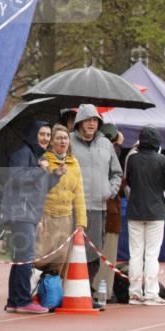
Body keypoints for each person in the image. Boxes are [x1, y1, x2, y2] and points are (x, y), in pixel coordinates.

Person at [2, 120, 61, 314]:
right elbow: (15, 179)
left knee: (22, 257)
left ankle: (14, 300)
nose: (45, 138)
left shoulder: (38, 157)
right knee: (26, 257)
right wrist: (39, 170)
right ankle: (22, 300)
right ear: (33, 134)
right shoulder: (22, 153)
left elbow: (39, 188)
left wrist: (55, 176)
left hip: (30, 212)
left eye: (47, 135)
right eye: (41, 134)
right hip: (21, 212)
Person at [70, 104, 122, 299]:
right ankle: (68, 288)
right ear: (79, 122)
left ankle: (86, 290)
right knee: (72, 250)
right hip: (74, 207)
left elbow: (116, 173)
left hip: (98, 206)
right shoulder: (69, 142)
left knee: (94, 252)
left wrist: (109, 191)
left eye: (95, 120)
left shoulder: (106, 144)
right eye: (88, 120)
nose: (92, 123)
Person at [125, 125, 165, 305]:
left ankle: (134, 293)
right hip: (155, 211)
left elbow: (128, 180)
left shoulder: (132, 159)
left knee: (135, 254)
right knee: (152, 254)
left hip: (135, 210)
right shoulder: (163, 160)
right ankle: (151, 293)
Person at [35, 123, 87, 276]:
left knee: (60, 261)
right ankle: (33, 293)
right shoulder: (44, 160)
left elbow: (79, 193)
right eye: (58, 138)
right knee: (38, 258)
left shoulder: (74, 163)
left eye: (65, 138)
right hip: (46, 216)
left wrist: (81, 223)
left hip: (66, 219)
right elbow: (38, 190)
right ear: (52, 141)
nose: (63, 141)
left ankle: (53, 296)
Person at [97, 122, 125, 301]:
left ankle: (96, 287)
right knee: (108, 254)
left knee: (96, 252)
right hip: (110, 212)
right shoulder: (114, 154)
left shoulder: (95, 152)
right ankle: (103, 290)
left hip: (95, 210)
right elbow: (120, 182)